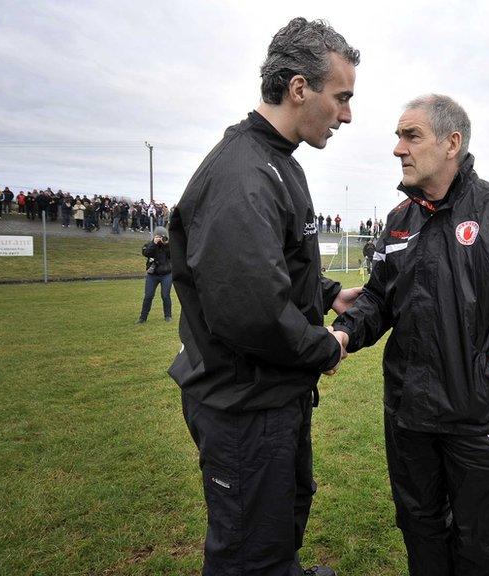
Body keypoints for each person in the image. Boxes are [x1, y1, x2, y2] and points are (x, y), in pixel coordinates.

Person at [333, 94, 489, 576]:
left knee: (477, 549)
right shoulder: (399, 221)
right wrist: (343, 333)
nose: (398, 148)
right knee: (421, 534)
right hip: (408, 418)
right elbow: (380, 297)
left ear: (451, 144)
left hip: (478, 421)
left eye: (411, 135)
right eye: (398, 136)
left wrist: (487, 375)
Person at [166, 18, 360, 576]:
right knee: (248, 548)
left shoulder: (279, 163)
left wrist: (328, 295)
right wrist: (325, 347)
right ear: (300, 88)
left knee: (280, 519)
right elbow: (251, 312)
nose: (346, 114)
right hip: (243, 404)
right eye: (341, 97)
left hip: (271, 395)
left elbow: (275, 266)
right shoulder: (244, 175)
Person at [136, 227, 174, 323]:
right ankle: (143, 318)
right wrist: (154, 243)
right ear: (154, 236)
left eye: (163, 236)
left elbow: (174, 255)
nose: (161, 238)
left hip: (166, 274)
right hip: (152, 275)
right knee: (148, 296)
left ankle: (168, 316)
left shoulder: (168, 245)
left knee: (165, 295)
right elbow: (146, 253)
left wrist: (167, 244)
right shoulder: (149, 245)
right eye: (158, 236)